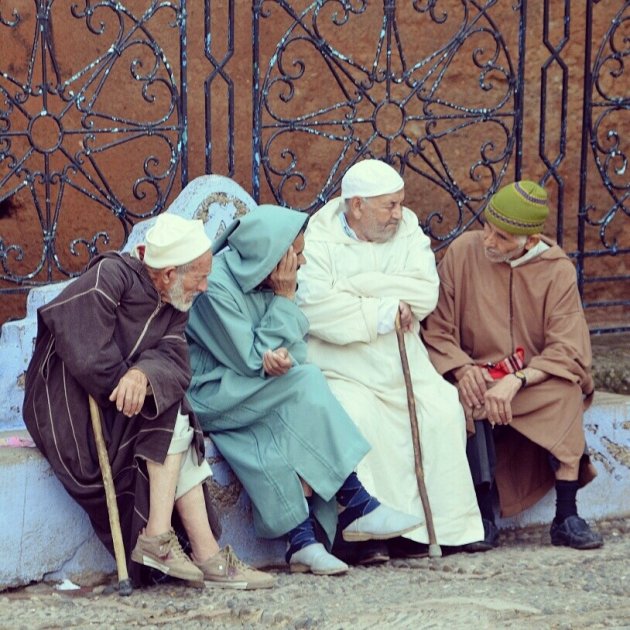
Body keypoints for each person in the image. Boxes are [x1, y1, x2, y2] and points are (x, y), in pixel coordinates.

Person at [23, 211, 275, 589]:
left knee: (170, 405)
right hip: (70, 410)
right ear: (170, 273)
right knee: (170, 409)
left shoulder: (175, 302)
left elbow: (174, 360)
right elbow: (83, 340)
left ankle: (186, 548)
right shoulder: (113, 276)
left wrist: (141, 376)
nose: (205, 287)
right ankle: (191, 550)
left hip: (119, 406)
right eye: (200, 277)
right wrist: (125, 382)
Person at [185, 203, 422, 575]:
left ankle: (302, 542)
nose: (302, 262)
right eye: (296, 255)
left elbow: (292, 352)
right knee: (307, 381)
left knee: (262, 433)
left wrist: (278, 357)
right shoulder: (215, 289)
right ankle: (356, 502)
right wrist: (283, 300)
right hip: (212, 392)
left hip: (253, 396)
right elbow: (248, 360)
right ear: (270, 257)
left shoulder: (266, 281)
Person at [296, 159, 484, 564]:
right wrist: (379, 312)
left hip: (403, 363)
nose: (399, 214)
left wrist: (355, 288)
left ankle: (439, 528)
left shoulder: (408, 228)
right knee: (358, 417)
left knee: (441, 410)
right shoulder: (320, 236)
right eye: (390, 206)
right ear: (357, 205)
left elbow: (423, 293)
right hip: (343, 365)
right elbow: (313, 307)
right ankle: (368, 535)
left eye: (400, 204)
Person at [422, 180, 603, 550]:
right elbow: (437, 330)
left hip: (532, 379)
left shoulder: (557, 270)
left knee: (565, 391)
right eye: (487, 228)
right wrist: (460, 368)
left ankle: (566, 516)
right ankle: (482, 517)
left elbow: (569, 348)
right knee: (470, 396)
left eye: (502, 237)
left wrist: (517, 380)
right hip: (478, 372)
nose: (489, 241)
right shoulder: (462, 252)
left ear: (530, 241)